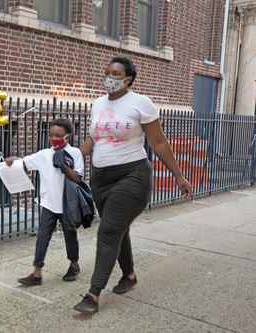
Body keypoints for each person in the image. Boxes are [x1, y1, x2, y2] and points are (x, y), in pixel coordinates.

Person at [73, 57, 193, 314]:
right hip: (101, 179)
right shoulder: (97, 104)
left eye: (115, 73)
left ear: (128, 79)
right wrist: (70, 161)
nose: (109, 77)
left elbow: (158, 142)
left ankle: (93, 294)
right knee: (117, 230)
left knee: (107, 231)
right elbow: (92, 139)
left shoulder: (141, 103)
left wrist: (179, 176)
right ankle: (129, 275)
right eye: (106, 72)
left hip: (132, 176)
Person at [5, 119, 85, 286]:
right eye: (51, 135)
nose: (53, 138)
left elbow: (78, 178)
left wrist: (64, 167)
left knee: (70, 236)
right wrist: (13, 160)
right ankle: (37, 272)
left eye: (58, 135)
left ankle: (74, 264)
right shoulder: (44, 154)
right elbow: (25, 163)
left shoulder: (75, 153)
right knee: (42, 237)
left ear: (67, 137)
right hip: (48, 204)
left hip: (67, 205)